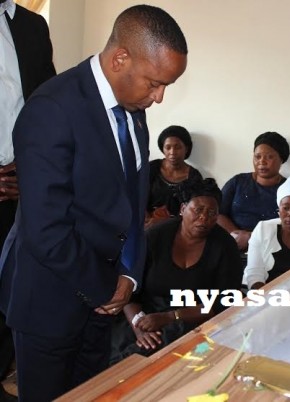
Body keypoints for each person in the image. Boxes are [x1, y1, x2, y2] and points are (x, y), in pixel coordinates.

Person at [0, 5, 187, 400]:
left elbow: (133, 207)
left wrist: (129, 278)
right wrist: (106, 289)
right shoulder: (52, 109)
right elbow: (46, 228)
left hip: (104, 299)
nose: (159, 98)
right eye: (155, 83)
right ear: (121, 58)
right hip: (51, 301)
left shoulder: (132, 108)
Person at [111, 178, 243, 363]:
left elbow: (224, 303)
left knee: (165, 357)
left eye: (212, 213)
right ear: (182, 209)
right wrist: (138, 325)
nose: (204, 218)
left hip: (193, 319)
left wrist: (169, 317)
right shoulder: (154, 236)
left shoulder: (225, 246)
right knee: (122, 354)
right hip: (144, 314)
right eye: (198, 210)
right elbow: (128, 289)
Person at [0, 1, 55, 399]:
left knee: (10, 292)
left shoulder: (32, 26)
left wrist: (32, 167)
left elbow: (45, 106)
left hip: (19, 188)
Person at [218, 131, 290, 252]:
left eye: (269, 157)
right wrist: (236, 234)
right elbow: (217, 213)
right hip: (231, 243)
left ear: (281, 159)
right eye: (258, 156)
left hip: (269, 249)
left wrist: (251, 238)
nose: (262, 162)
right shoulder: (238, 182)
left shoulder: (288, 189)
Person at [146, 125, 203, 228]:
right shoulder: (152, 168)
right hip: (146, 222)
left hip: (176, 227)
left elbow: (192, 211)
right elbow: (138, 197)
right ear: (162, 149)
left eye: (178, 147)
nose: (172, 152)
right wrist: (146, 219)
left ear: (186, 148)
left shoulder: (193, 177)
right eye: (168, 147)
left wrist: (162, 222)